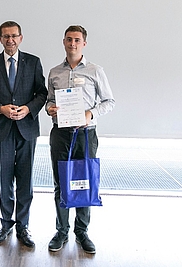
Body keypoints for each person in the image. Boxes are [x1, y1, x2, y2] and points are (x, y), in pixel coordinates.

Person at [45, 25, 115, 253]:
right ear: (63, 42)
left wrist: (89, 113)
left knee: (84, 182)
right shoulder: (55, 72)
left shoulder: (95, 71)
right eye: (68, 39)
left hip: (85, 135)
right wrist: (50, 108)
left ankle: (81, 232)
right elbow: (47, 100)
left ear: (84, 43)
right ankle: (61, 231)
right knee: (61, 183)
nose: (72, 43)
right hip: (60, 135)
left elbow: (109, 102)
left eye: (77, 40)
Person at [0, 21, 48, 248]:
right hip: (1, 129)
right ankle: (6, 223)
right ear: (0, 39)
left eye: (14, 36)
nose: (10, 40)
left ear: (21, 38)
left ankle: (23, 226)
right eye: (6, 36)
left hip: (27, 128)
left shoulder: (33, 62)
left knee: (25, 180)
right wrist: (1, 109)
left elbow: (42, 93)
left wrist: (28, 108)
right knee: (5, 179)